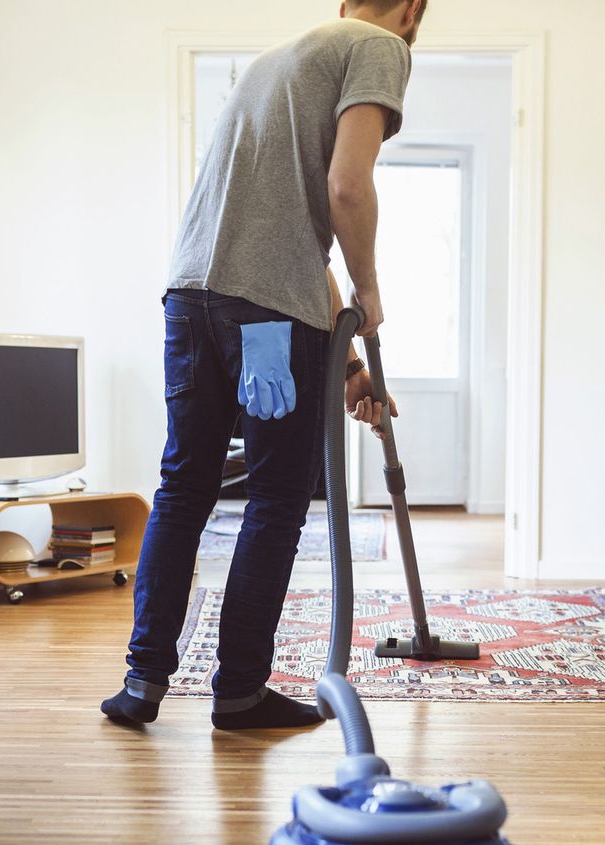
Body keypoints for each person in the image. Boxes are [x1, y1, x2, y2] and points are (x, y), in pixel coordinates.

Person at [102, 0, 428, 731]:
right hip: (267, 314)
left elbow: (284, 235)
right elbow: (346, 188)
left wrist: (345, 363)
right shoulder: (380, 46)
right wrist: (371, 291)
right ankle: (241, 691)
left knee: (183, 488)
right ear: (410, 10)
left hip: (191, 298)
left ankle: (141, 684)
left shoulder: (275, 62)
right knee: (277, 499)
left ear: (344, 2)